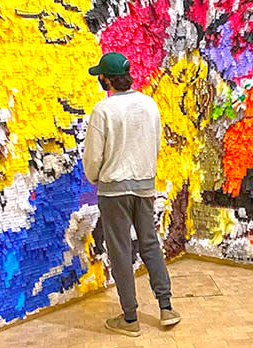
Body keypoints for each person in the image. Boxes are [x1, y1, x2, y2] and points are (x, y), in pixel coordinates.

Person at [83, 52, 181, 337]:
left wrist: (95, 178)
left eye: (100, 75)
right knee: (150, 244)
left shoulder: (103, 110)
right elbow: (156, 143)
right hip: (144, 186)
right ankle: (166, 307)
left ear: (106, 79)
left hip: (114, 191)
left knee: (121, 251)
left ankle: (129, 319)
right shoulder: (149, 105)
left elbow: (93, 157)